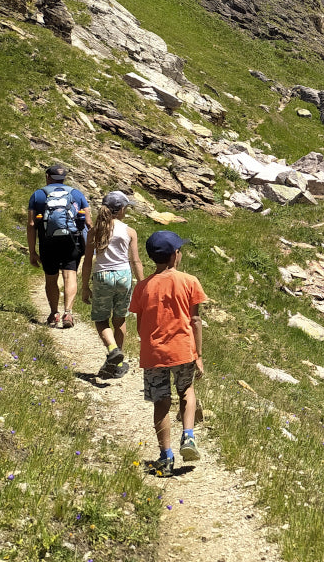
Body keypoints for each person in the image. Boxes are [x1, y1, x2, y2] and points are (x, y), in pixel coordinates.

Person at [129, 230, 206, 476]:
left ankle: (166, 455)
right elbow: (195, 320)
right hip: (183, 349)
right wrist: (199, 354)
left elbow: (140, 324)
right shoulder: (190, 281)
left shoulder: (142, 287)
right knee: (186, 390)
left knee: (160, 401)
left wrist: (150, 344)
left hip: (154, 353)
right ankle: (189, 435)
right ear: (175, 255)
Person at [81, 191, 144, 378]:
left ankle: (113, 350)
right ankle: (118, 362)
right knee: (120, 319)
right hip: (124, 276)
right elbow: (136, 261)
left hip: (102, 276)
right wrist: (142, 284)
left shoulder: (95, 230)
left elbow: (86, 261)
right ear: (122, 209)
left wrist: (85, 286)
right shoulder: (129, 231)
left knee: (101, 319)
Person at [27, 164, 90, 328]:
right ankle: (68, 313)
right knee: (70, 275)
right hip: (72, 241)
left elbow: (31, 224)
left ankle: (54, 313)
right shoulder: (76, 193)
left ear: (48, 177)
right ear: (64, 178)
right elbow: (88, 222)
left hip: (48, 242)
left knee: (51, 278)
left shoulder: (38, 195)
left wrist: (32, 251)